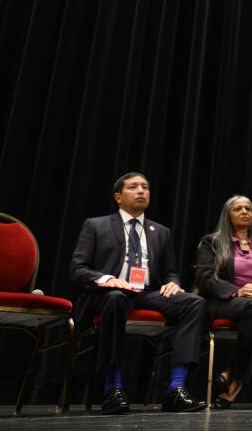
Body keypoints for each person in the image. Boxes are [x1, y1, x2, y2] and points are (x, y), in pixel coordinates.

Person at [70, 172, 207, 414]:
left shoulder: (160, 232)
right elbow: (78, 270)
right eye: (133, 187)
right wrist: (109, 280)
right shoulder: (96, 225)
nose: (141, 191)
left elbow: (170, 272)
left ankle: (176, 388)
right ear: (118, 197)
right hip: (108, 294)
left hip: (145, 293)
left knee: (194, 303)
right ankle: (113, 387)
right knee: (115, 298)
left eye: (145, 187)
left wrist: (173, 283)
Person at [194, 195, 252, 408]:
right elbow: (204, 278)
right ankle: (242, 379)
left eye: (248, 208)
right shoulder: (212, 242)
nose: (244, 212)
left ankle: (232, 376)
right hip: (223, 302)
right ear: (228, 215)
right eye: (238, 209)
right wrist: (237, 291)